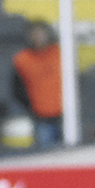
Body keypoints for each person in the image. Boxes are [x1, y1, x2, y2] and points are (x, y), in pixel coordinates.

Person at [13, 19, 63, 147]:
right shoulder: (22, 59)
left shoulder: (60, 54)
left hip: (64, 116)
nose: (38, 38)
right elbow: (17, 88)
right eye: (34, 34)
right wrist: (31, 107)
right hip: (40, 117)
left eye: (41, 33)